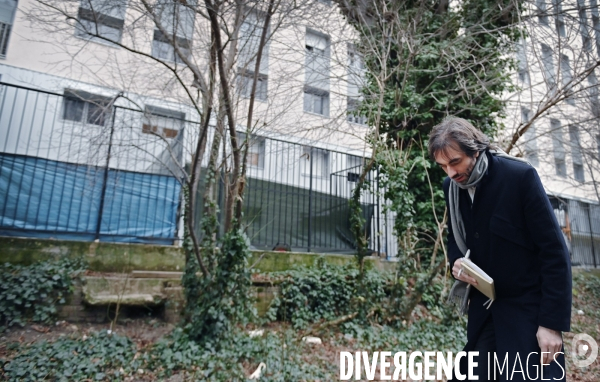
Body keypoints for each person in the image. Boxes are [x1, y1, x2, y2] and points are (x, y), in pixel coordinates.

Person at [428, 117, 572, 381]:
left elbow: (554, 253)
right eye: (443, 166)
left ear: (475, 149)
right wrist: (457, 263)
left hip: (528, 314)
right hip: (484, 313)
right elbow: (456, 241)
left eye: (455, 162)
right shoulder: (451, 187)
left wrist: (551, 325)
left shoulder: (519, 176)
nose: (450, 173)